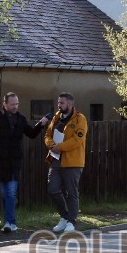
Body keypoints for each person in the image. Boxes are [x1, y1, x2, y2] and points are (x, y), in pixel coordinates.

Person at [0, 92, 49, 232]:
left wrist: (40, 124)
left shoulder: (21, 119)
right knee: (4, 193)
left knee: (11, 192)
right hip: (0, 161)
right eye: (12, 104)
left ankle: (8, 222)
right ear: (4, 104)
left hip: (15, 161)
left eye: (17, 104)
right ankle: (11, 222)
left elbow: (31, 134)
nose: (15, 107)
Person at [44, 92, 88, 233]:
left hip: (73, 161)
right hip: (56, 159)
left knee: (71, 192)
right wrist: (51, 145)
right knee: (53, 189)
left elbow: (77, 139)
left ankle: (71, 221)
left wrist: (60, 147)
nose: (59, 105)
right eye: (58, 103)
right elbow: (47, 135)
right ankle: (64, 217)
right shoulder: (56, 117)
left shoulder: (80, 119)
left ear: (69, 104)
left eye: (61, 103)